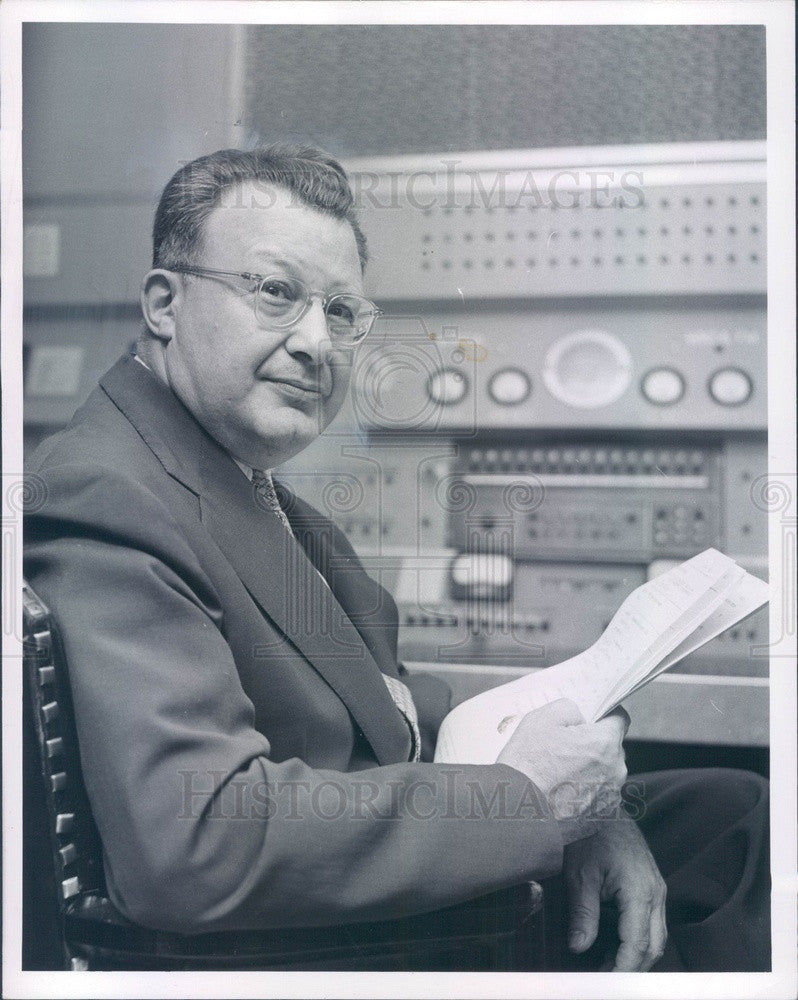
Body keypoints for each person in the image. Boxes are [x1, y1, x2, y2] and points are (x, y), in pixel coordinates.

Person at [24, 145, 770, 972]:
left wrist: (591, 810)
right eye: (276, 293)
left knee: (727, 816)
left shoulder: (234, 480)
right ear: (164, 304)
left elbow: (386, 714)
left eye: (341, 312)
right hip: (328, 950)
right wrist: (525, 809)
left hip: (389, 868)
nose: (316, 343)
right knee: (736, 866)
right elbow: (195, 841)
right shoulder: (107, 494)